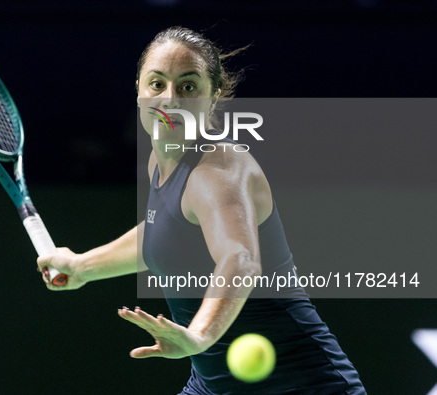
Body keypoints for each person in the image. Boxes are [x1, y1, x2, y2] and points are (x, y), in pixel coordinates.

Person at [37, 26, 366, 394]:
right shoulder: (161, 162)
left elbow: (239, 257)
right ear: (139, 91)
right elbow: (164, 231)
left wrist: (199, 336)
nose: (170, 100)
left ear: (213, 99)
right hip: (213, 386)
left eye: (188, 86)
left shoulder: (218, 170)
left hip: (305, 386)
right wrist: (82, 267)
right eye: (157, 84)